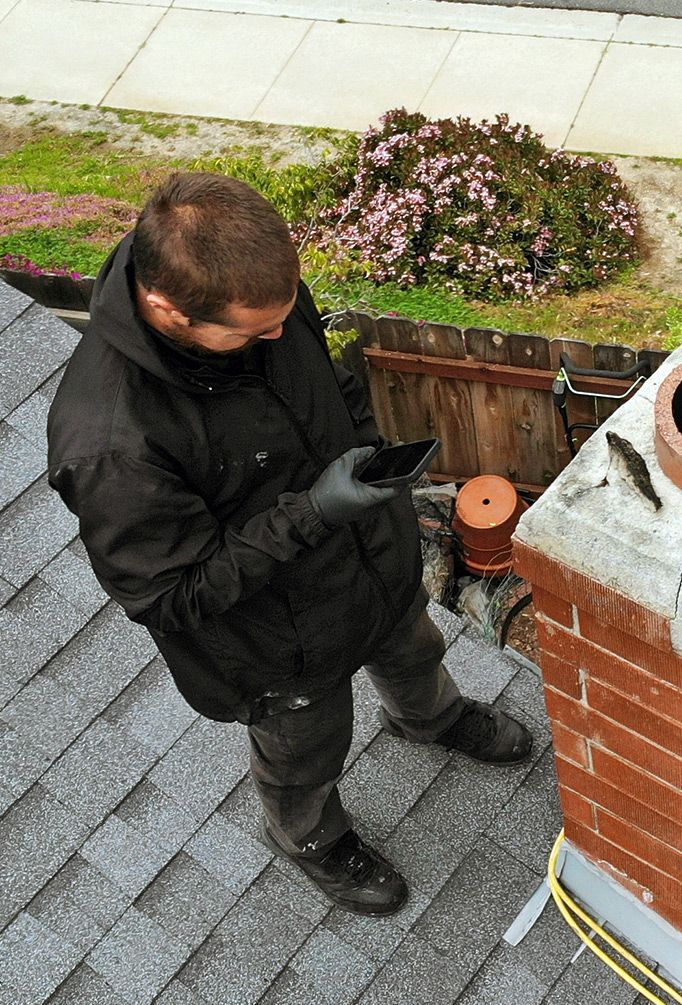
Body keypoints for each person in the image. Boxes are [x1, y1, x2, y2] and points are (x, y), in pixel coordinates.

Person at [47, 172, 531, 918]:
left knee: (413, 648)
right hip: (275, 644)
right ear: (167, 308)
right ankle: (306, 835)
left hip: (368, 562)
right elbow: (173, 597)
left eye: (282, 317)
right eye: (253, 333)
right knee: (303, 749)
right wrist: (315, 512)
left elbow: (328, 381)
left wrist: (366, 448)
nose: (277, 335)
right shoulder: (114, 445)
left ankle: (427, 719)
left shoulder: (256, 289)